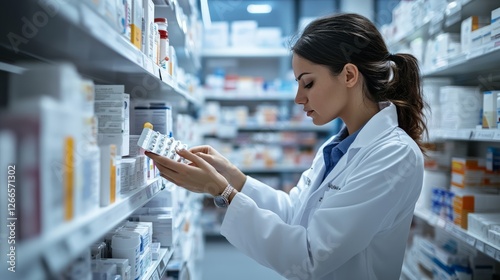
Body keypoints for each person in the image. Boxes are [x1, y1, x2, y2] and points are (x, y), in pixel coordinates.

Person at [146, 12, 427, 280]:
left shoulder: (394, 154)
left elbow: (311, 256)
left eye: (308, 83)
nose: (298, 98)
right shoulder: (337, 146)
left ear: (350, 76)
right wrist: (235, 178)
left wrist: (221, 191)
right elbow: (296, 213)